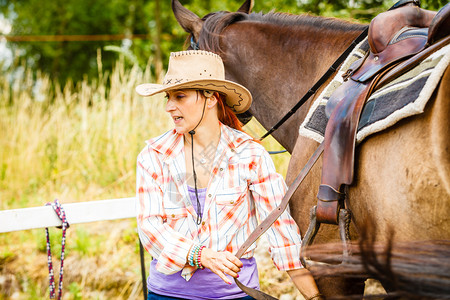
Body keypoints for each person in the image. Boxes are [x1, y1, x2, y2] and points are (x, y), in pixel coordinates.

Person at [135, 50, 322, 300]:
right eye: (168, 97)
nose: (169, 107)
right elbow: (149, 227)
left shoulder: (250, 154)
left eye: (180, 96)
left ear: (210, 97)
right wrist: (201, 255)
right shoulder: (154, 155)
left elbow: (282, 234)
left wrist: (314, 297)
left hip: (235, 295)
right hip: (167, 295)